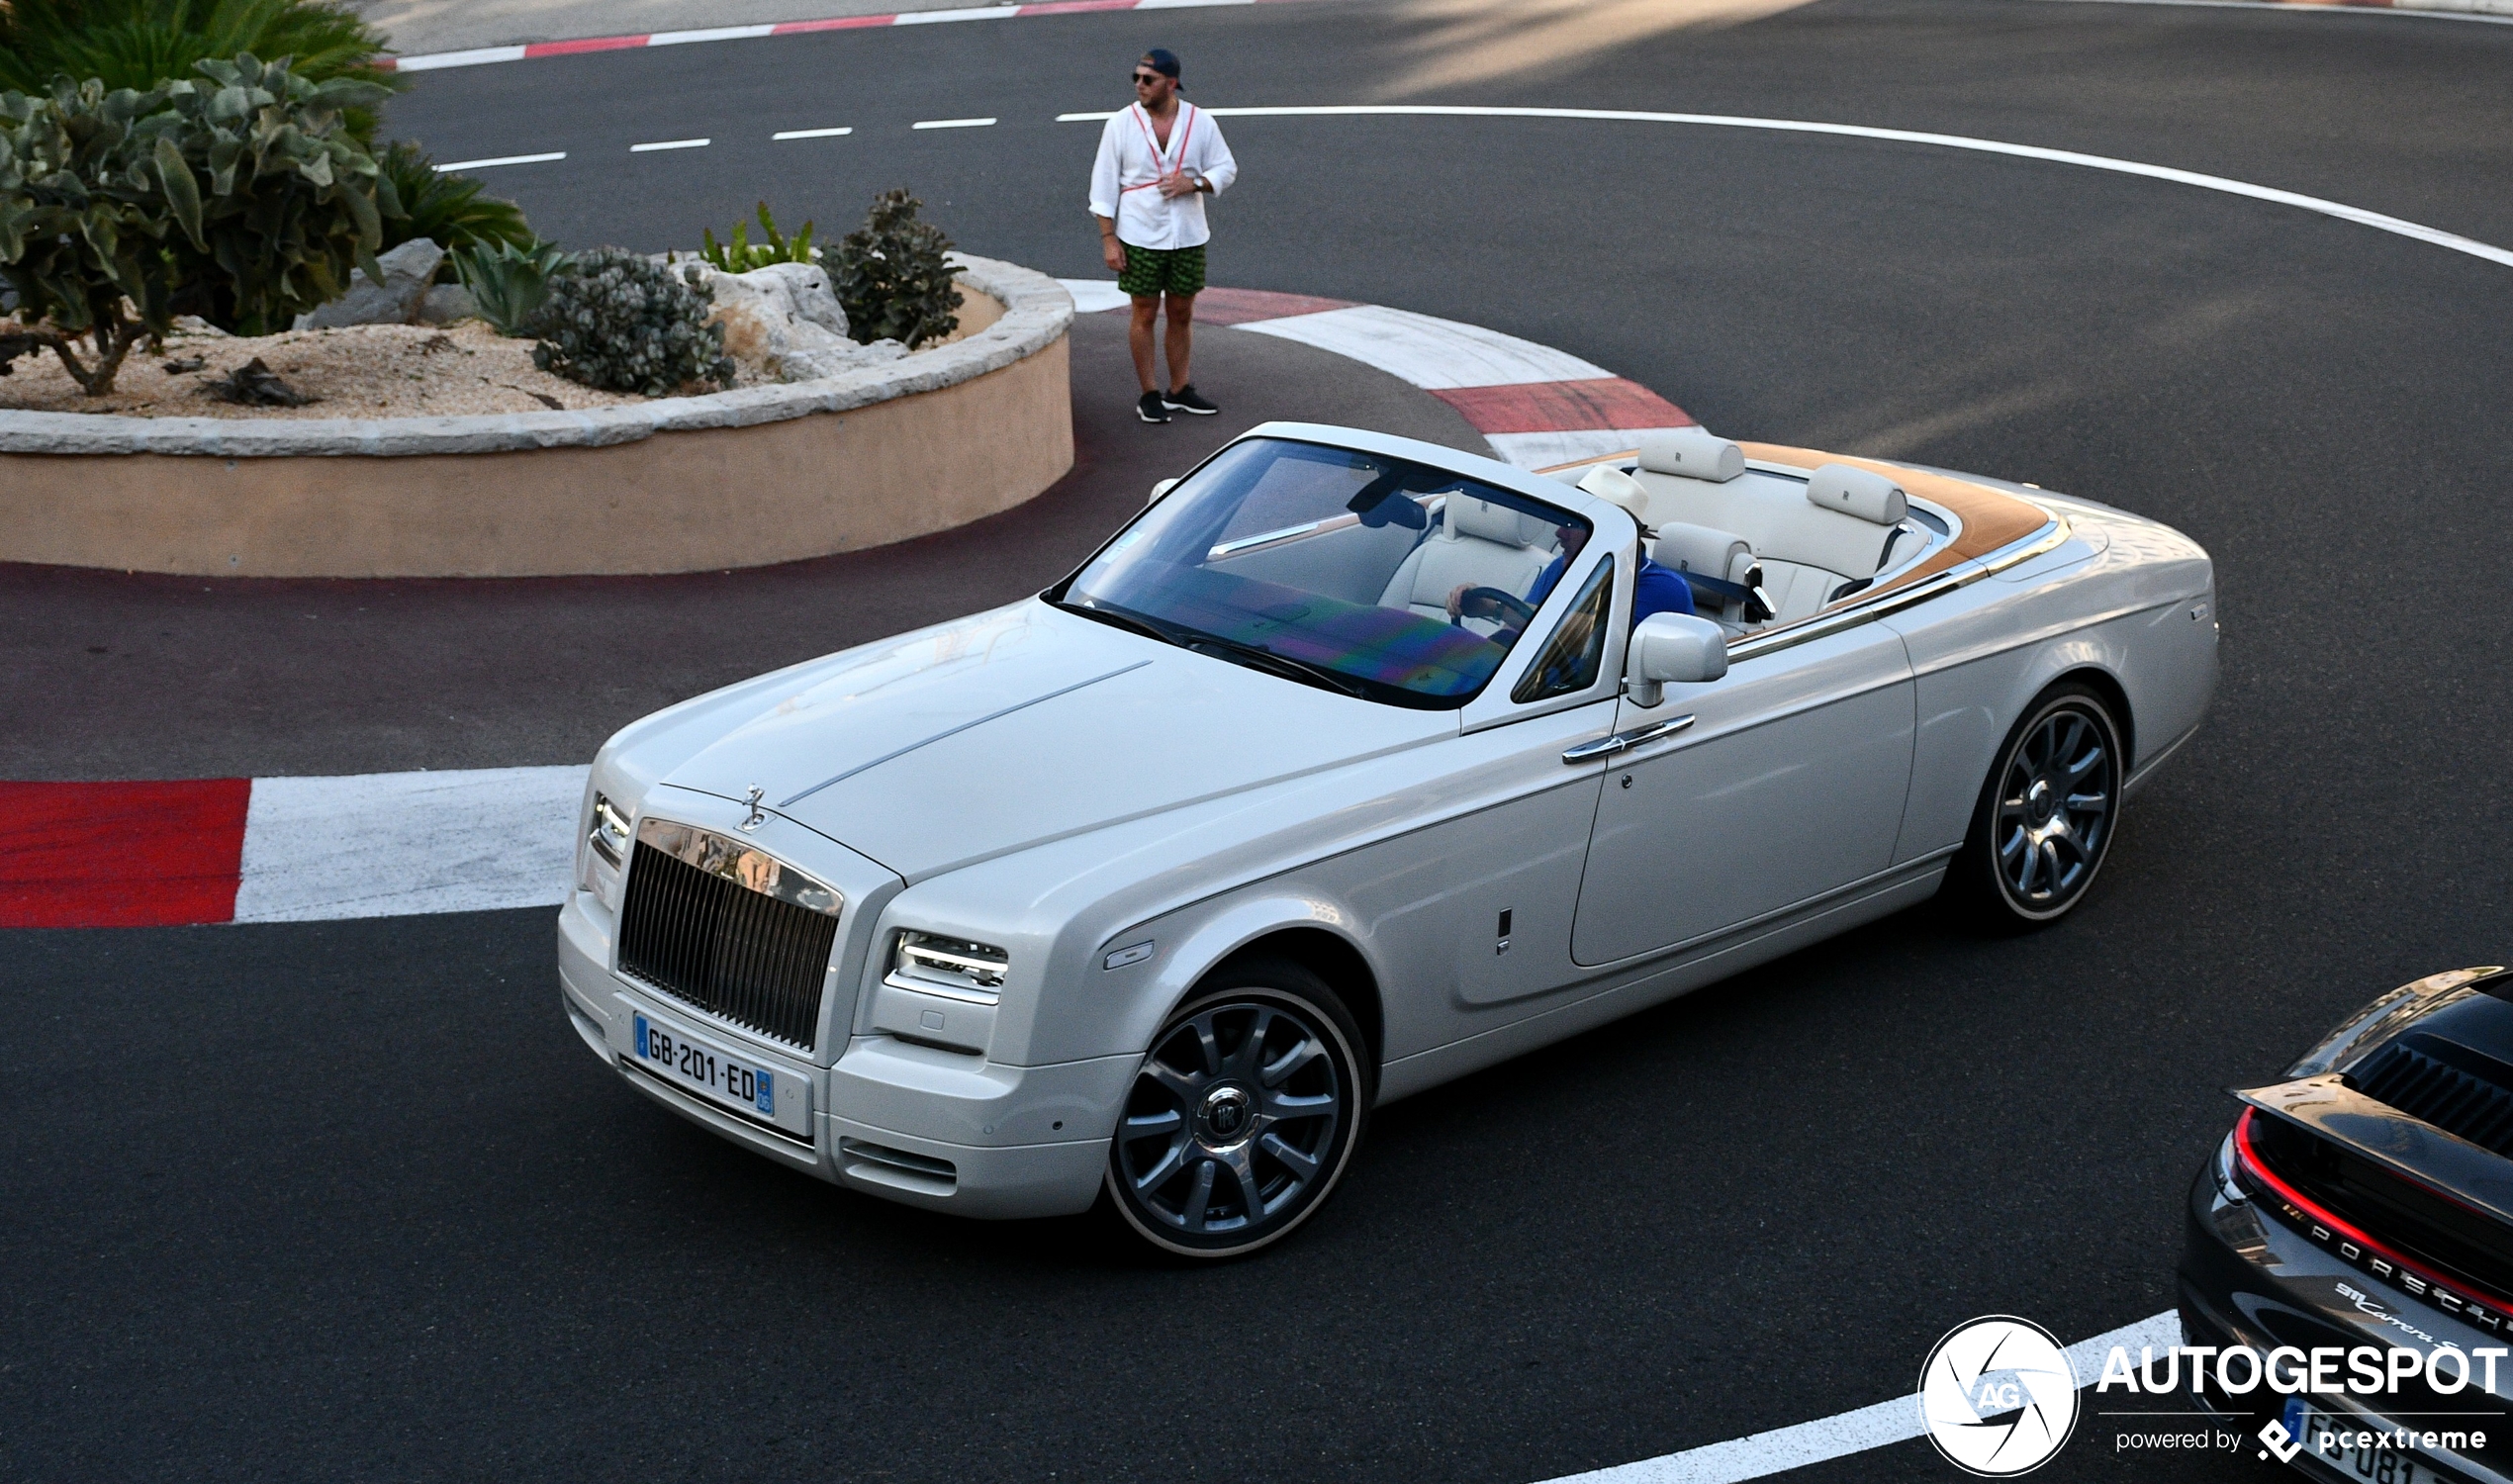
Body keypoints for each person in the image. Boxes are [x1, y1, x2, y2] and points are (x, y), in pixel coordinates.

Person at [1088, 48, 1238, 425]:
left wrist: (1196, 183)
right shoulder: (1121, 124)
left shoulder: (1199, 121)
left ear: (1170, 84)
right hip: (1139, 233)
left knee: (1182, 312)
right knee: (1143, 311)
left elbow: (1226, 167)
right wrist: (1109, 239)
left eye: (1148, 79)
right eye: (1136, 78)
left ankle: (1180, 389)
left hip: (1187, 233)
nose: (1139, 85)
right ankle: (1149, 393)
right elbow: (1102, 186)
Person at [1446, 468, 1693, 638]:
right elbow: (1515, 636)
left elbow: (1594, 638)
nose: (1559, 534)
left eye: (1572, 525)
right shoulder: (1560, 567)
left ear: (1611, 532)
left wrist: (1498, 608)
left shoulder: (1662, 588)